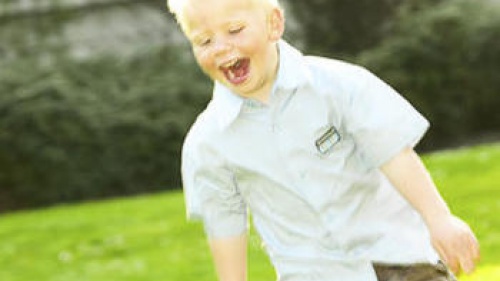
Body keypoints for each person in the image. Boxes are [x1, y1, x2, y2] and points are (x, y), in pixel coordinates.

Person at [167, 0, 481, 280]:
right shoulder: (207, 142)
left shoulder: (338, 86)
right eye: (204, 41)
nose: (221, 47)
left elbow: (392, 152)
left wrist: (439, 219)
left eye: (234, 30)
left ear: (274, 24)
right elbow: (225, 223)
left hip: (400, 259)